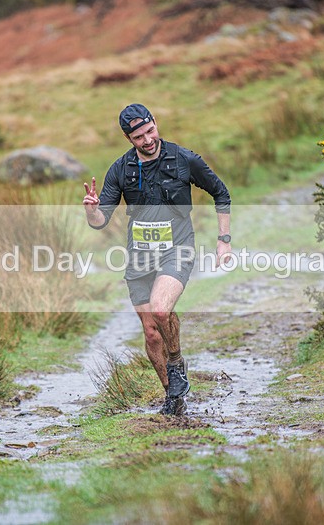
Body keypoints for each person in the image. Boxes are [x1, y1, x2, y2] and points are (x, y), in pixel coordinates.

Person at [82, 103, 232, 415]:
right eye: (139, 137)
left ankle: (176, 363)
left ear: (155, 123)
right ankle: (173, 397)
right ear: (129, 138)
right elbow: (100, 221)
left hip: (177, 248)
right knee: (151, 332)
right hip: (139, 257)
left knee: (162, 309)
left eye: (150, 131)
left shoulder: (184, 159)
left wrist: (224, 240)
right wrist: (91, 209)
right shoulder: (120, 170)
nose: (148, 139)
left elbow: (221, 194)